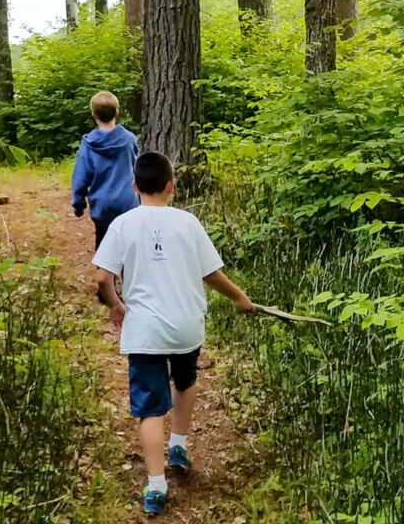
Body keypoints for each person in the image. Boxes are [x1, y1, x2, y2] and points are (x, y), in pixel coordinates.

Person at [91, 152, 256, 515]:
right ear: (171, 186)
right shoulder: (188, 222)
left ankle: (155, 484)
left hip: (145, 331)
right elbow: (211, 274)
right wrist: (240, 298)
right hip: (185, 327)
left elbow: (102, 277)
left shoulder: (122, 224)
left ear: (134, 186)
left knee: (150, 408)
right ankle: (179, 444)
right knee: (185, 380)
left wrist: (117, 306)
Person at [71, 92, 139, 303]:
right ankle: (132, 289)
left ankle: (106, 292)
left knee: (105, 245)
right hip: (128, 204)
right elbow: (137, 168)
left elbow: (81, 176)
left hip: (103, 206)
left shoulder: (89, 144)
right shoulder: (129, 140)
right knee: (129, 246)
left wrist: (78, 202)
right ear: (117, 112)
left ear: (93, 114)